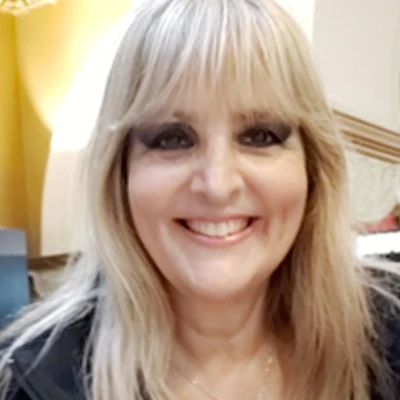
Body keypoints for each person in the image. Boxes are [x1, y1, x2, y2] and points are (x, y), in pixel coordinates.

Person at [0, 0, 399, 399]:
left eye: (260, 136)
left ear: (313, 167)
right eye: (172, 139)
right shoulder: (34, 382)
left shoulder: (388, 336)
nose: (218, 184)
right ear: (120, 174)